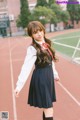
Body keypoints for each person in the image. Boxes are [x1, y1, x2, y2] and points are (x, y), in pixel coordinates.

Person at [14, 21, 60, 120]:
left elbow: (50, 62)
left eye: (40, 30)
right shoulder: (32, 49)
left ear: (43, 30)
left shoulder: (46, 44)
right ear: (31, 35)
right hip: (41, 79)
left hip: (48, 78)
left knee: (47, 107)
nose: (39, 34)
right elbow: (26, 68)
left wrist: (55, 74)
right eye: (35, 32)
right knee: (48, 108)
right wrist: (19, 86)